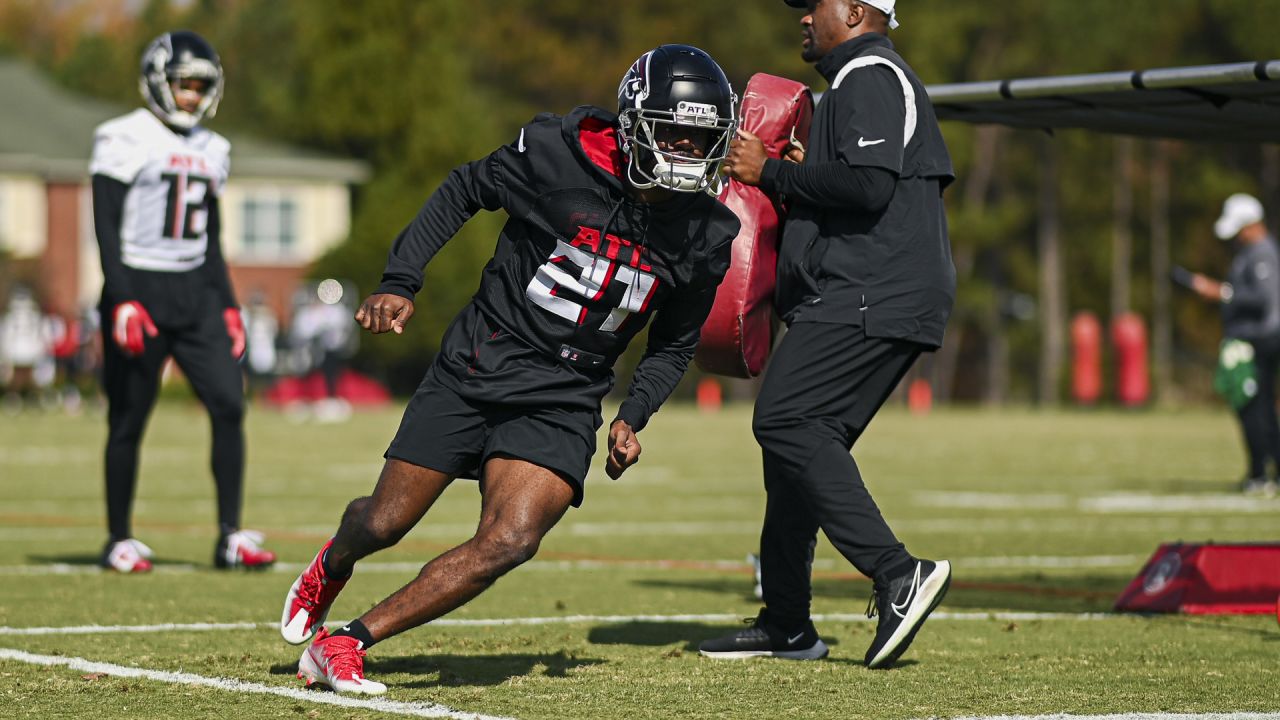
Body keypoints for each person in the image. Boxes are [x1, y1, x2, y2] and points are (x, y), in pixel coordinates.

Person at [279, 44, 741, 695]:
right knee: (384, 522)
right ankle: (335, 560)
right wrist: (400, 281)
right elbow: (463, 188)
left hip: (565, 394)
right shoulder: (560, 155)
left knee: (512, 539)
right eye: (675, 133)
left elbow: (673, 341)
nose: (689, 152)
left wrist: (634, 415)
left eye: (703, 138)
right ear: (635, 124)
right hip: (479, 362)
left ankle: (347, 643)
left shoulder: (707, 232)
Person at [702, 0, 955, 668]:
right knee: (797, 453)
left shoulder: (868, 75)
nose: (803, 19)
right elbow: (866, 187)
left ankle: (898, 573)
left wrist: (773, 172)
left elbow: (870, 186)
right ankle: (787, 624)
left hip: (871, 292)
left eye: (813, 5)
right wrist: (799, 175)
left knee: (784, 422)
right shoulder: (859, 79)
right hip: (869, 289)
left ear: (854, 9)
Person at [90, 30, 276, 573]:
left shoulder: (214, 148)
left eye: (201, 85)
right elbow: (105, 226)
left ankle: (229, 535)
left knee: (228, 404)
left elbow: (210, 237)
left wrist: (227, 303)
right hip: (139, 289)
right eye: (183, 84)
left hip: (196, 291)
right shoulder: (122, 136)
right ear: (157, 81)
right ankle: (118, 538)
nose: (192, 95)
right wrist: (122, 298)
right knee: (129, 417)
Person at [1190, 193, 1280, 497]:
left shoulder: (1261, 253)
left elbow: (1265, 299)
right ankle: (1262, 470)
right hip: (1251, 340)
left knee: (1257, 409)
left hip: (1261, 341)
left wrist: (1223, 292)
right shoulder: (1249, 253)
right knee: (1255, 408)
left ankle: (1265, 471)